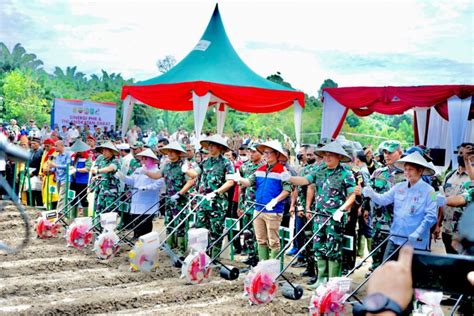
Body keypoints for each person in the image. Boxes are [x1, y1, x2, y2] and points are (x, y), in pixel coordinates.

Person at [284, 141, 356, 288]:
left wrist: (342, 210)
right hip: (319, 216)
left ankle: (332, 282)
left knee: (333, 249)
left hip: (335, 218)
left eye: (330, 155)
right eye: (325, 155)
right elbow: (305, 180)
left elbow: (352, 195)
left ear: (339, 157)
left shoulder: (346, 174)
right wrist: (289, 178)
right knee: (319, 247)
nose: (327, 158)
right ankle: (321, 279)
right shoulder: (320, 170)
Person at [362, 152, 437, 261]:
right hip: (396, 238)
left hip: (417, 242)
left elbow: (431, 216)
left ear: (420, 171)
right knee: (387, 268)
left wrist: (417, 232)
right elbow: (383, 199)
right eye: (405, 169)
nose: (406, 172)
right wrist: (372, 194)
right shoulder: (398, 187)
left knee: (410, 274)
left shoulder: (431, 191)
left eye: (410, 169)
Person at [236, 140, 292, 261]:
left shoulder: (283, 171)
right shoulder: (260, 169)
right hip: (258, 209)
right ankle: (263, 266)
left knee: (273, 242)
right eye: (264, 153)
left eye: (268, 153)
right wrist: (239, 178)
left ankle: (274, 269)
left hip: (273, 210)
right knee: (260, 240)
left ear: (276, 154)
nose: (265, 155)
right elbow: (249, 182)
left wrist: (275, 200)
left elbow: (287, 189)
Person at [152, 142, 197, 254]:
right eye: (169, 151)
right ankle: (170, 246)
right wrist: (145, 172)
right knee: (169, 222)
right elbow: (158, 175)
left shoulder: (184, 166)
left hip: (180, 200)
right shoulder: (167, 166)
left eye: (173, 151)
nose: (170, 153)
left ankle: (181, 249)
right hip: (169, 199)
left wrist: (180, 193)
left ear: (178, 153)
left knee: (180, 224)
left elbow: (192, 179)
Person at [195, 134, 235, 259]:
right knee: (200, 230)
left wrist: (217, 192)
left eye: (213, 145)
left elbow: (230, 181)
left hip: (217, 203)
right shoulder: (204, 163)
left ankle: (214, 258)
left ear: (220, 147)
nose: (210, 148)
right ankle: (201, 256)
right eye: (209, 145)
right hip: (203, 202)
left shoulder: (226, 163)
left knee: (216, 231)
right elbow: (196, 176)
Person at [368, 141, 405, 270]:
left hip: (397, 226)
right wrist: (365, 208)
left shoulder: (407, 174)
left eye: (390, 152)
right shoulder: (378, 173)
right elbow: (369, 194)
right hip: (378, 223)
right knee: (376, 254)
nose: (387, 155)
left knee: (393, 260)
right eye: (385, 152)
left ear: (400, 153)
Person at [119, 148, 164, 238]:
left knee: (145, 221)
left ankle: (145, 238)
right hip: (137, 199)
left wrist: (147, 187)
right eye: (142, 158)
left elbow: (159, 183)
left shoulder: (156, 171)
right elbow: (132, 180)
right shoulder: (138, 170)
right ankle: (136, 236)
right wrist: (123, 177)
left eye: (145, 158)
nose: (143, 161)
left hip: (148, 201)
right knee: (135, 219)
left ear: (152, 160)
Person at [439, 143, 473, 254]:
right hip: (447, 229)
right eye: (460, 153)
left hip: (464, 232)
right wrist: (437, 224)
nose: (463, 156)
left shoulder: (472, 178)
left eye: (466, 154)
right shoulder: (449, 175)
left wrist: (436, 198)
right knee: (450, 263)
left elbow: (461, 200)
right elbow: (440, 196)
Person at [237, 143, 264, 266]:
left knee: (258, 233)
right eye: (250, 152)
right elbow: (241, 187)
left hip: (259, 204)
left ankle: (259, 257)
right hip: (247, 203)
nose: (251, 154)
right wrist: (239, 205)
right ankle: (251, 255)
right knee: (247, 232)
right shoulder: (245, 167)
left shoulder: (264, 167)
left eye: (254, 152)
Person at [91, 141, 121, 214]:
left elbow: (110, 169)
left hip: (111, 191)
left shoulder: (115, 161)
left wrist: (98, 171)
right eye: (102, 151)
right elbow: (102, 174)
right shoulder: (102, 161)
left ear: (111, 152)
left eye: (105, 151)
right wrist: (97, 177)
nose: (103, 153)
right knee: (99, 211)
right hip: (101, 189)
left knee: (109, 212)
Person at [69, 140, 92, 217]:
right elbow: (69, 165)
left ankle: (85, 217)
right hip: (73, 180)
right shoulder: (73, 156)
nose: (78, 152)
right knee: (72, 198)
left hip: (82, 181)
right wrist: (71, 167)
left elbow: (87, 169)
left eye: (79, 150)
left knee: (83, 199)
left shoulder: (88, 157)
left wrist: (77, 169)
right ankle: (72, 217)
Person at [48, 140, 71, 212]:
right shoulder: (57, 156)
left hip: (65, 178)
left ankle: (59, 212)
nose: (54, 147)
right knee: (61, 196)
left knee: (62, 196)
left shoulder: (67, 155)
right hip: (58, 178)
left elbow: (68, 167)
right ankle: (63, 211)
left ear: (62, 146)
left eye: (56, 146)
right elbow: (55, 168)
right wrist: (51, 169)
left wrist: (55, 165)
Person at [26, 137, 44, 207]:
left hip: (36, 173)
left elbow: (41, 165)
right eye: (31, 143)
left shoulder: (41, 152)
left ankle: (39, 206)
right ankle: (29, 205)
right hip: (28, 172)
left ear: (38, 144)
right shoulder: (30, 151)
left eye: (34, 143)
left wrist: (33, 173)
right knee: (29, 190)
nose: (32, 145)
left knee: (37, 191)